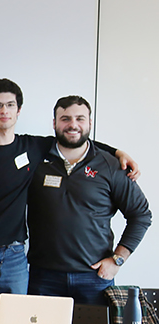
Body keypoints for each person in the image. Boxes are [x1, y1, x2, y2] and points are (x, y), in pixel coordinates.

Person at [0, 78, 139, 309]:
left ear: (18, 110)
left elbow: (76, 138)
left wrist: (118, 152)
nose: (4, 111)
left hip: (17, 257)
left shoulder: (32, 147)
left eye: (10, 105)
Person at [26, 95, 151, 305]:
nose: (73, 125)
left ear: (90, 123)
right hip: (43, 279)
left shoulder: (110, 165)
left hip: (94, 278)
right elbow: (4, 145)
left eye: (80, 119)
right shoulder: (36, 158)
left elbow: (141, 215)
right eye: (65, 119)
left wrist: (117, 260)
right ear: (54, 123)